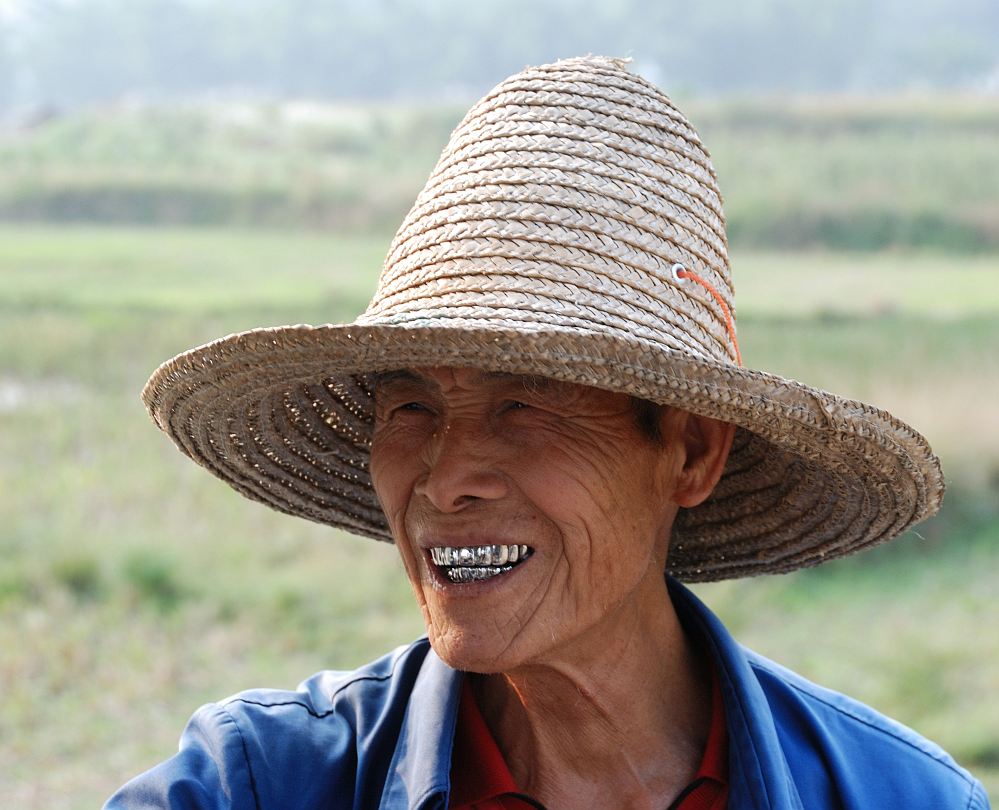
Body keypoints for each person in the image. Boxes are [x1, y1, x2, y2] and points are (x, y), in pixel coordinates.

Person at [106, 57, 989, 809]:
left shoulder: (893, 793)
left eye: (524, 408)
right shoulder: (256, 784)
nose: (445, 479)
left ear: (688, 452)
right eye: (409, 407)